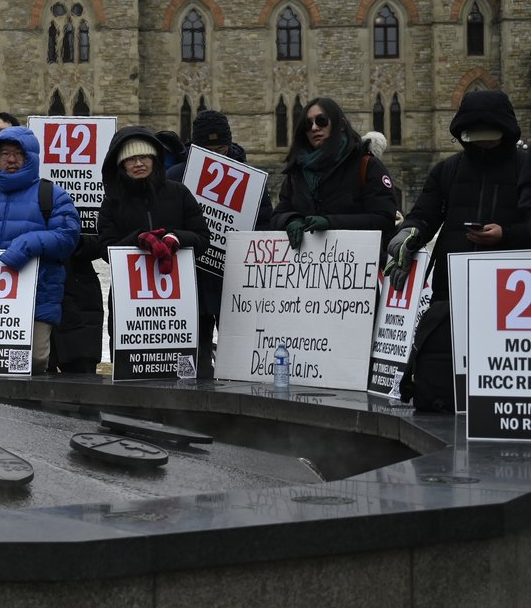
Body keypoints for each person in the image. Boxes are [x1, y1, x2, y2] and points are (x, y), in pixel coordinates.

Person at [388, 90, 531, 411]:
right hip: (450, 295)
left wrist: (506, 235)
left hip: (511, 301)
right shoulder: (447, 170)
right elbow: (424, 215)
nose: (483, 144)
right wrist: (409, 234)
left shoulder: (525, 166)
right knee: (441, 388)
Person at [0, 127, 81, 373]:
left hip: (37, 298)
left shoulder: (52, 195)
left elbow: (68, 236)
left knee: (33, 361)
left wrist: (28, 244)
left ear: (30, 157)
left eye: (18, 154)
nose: (11, 159)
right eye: (5, 154)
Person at [95, 125, 212, 371]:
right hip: (131, 302)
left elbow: (202, 238)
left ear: (155, 159)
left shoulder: (179, 193)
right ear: (121, 165)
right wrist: (138, 239)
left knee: (190, 372)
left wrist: (176, 238)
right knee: (132, 370)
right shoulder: (112, 202)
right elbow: (105, 248)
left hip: (180, 301)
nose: (138, 163)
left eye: (144, 157)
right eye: (130, 159)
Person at [168, 110, 272, 378]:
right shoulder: (176, 176)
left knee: (240, 357)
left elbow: (264, 224)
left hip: (235, 280)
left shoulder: (252, 179)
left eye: (221, 148)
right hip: (193, 279)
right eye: (207, 149)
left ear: (229, 143)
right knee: (196, 358)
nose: (215, 155)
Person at [271, 96, 399, 249]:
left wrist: (331, 223)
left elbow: (384, 219)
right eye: (307, 124)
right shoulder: (297, 172)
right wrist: (290, 220)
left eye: (321, 121)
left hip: (355, 258)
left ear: (340, 125)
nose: (314, 128)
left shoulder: (366, 165)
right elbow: (277, 215)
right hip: (307, 261)